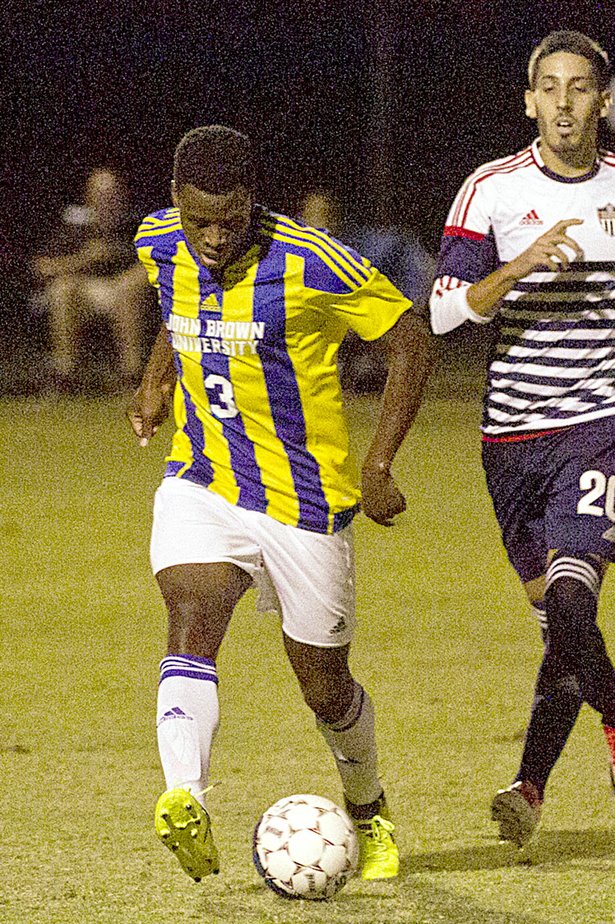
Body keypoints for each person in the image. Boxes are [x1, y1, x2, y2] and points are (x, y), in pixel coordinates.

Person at [429, 31, 615, 850]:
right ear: (529, 101)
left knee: (570, 599)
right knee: (560, 623)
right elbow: (446, 311)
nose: (564, 103)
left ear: (602, 101)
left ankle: (532, 783)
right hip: (510, 440)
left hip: (602, 426)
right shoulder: (489, 191)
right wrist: (516, 265)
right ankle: (614, 704)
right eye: (549, 89)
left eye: (580, 88)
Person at [127, 125, 433, 882]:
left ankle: (368, 809)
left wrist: (380, 462)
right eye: (199, 219)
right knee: (191, 618)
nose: (214, 235)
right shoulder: (158, 241)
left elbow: (411, 339)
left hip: (305, 504)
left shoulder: (312, 261)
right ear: (175, 202)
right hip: (203, 479)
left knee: (324, 688)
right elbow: (177, 306)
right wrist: (158, 377)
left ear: (252, 200)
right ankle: (184, 799)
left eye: (230, 217)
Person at [298, 190, 435, 392]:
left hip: (358, 322)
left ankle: (370, 368)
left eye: (326, 214)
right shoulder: (286, 251)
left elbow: (421, 271)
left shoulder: (363, 246)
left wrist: (405, 309)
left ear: (337, 217)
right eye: (312, 214)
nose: (319, 221)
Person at [32, 167, 150, 391]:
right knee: (63, 289)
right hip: (88, 291)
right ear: (89, 198)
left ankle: (131, 376)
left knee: (129, 286)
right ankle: (64, 376)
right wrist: (84, 259)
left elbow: (161, 263)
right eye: (101, 195)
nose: (107, 201)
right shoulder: (74, 227)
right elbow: (42, 267)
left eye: (113, 195)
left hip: (131, 291)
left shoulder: (139, 225)